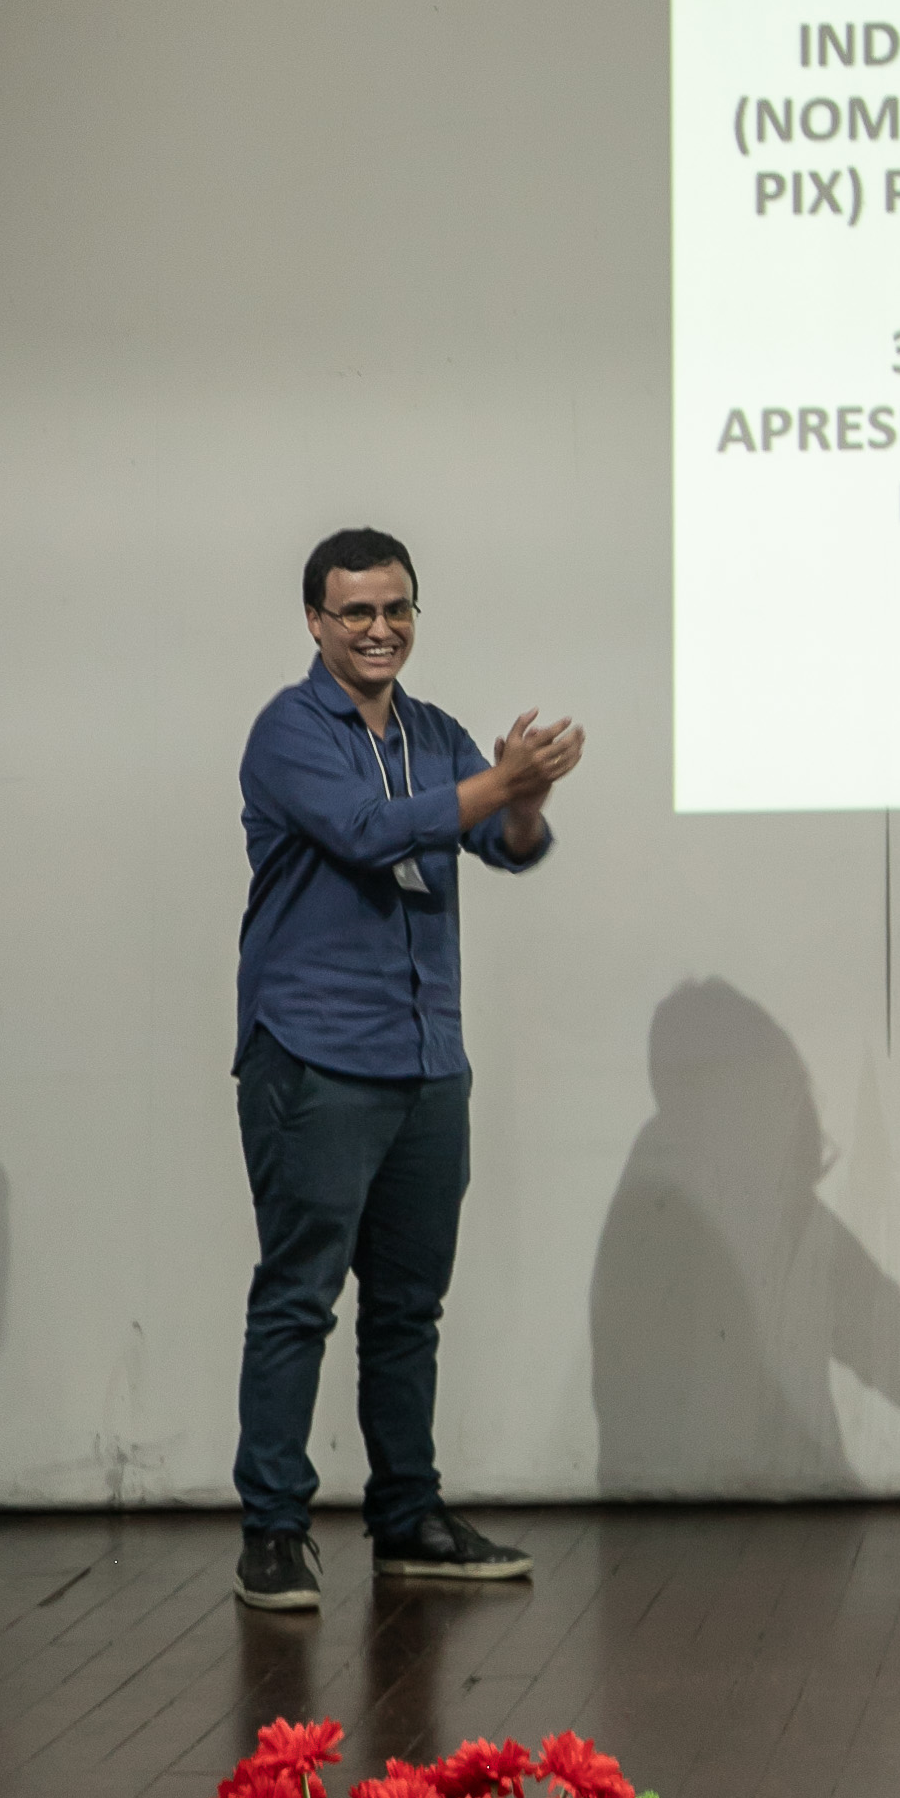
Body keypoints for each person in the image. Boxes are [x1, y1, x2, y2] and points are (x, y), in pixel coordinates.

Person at [229, 525, 583, 1611]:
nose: (380, 628)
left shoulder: (434, 731)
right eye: (357, 612)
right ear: (315, 621)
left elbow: (506, 847)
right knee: (299, 1297)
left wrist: (524, 798)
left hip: (428, 1057)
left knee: (407, 1307)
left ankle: (408, 1518)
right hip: (316, 1053)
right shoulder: (290, 730)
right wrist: (497, 785)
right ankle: (274, 1531)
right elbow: (368, 831)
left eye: (397, 608)